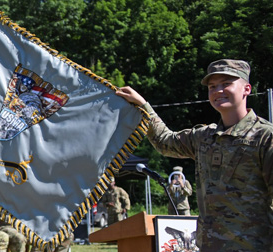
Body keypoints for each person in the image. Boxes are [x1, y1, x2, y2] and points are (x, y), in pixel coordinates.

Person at [117, 59, 273, 250]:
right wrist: (143, 105)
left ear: (246, 89)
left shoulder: (265, 137)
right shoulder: (204, 137)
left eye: (226, 84)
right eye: (212, 86)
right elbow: (166, 142)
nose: (218, 91)